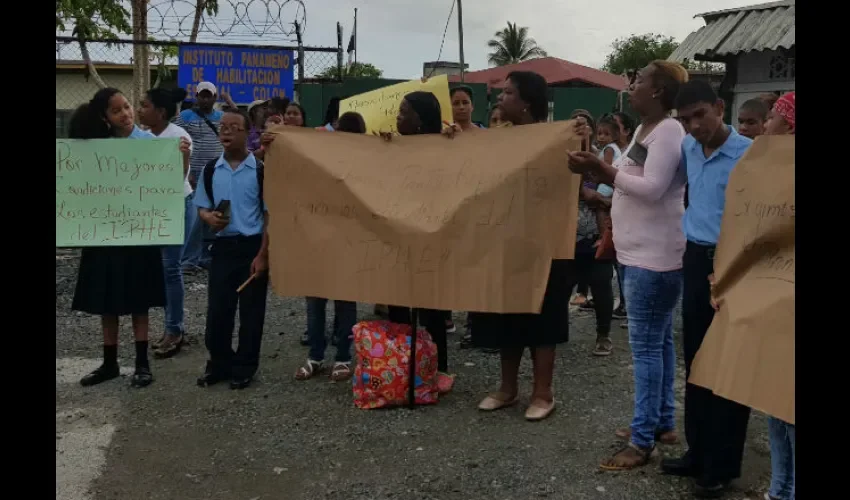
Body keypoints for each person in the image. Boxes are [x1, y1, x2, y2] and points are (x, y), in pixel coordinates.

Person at [569, 60, 690, 468]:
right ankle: (662, 423)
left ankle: (642, 441)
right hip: (641, 255)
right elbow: (623, 174)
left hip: (653, 260)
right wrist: (593, 166)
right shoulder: (644, 130)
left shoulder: (669, 130)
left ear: (657, 92)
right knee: (660, 343)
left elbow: (653, 188)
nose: (631, 86)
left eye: (637, 81)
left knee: (646, 349)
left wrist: (601, 169)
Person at [660, 80, 754, 498]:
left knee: (731, 364)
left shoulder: (751, 156)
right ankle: (698, 453)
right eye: (685, 120)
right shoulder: (687, 149)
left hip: (736, 263)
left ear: (719, 107)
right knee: (697, 360)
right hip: (696, 260)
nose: (694, 126)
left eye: (700, 115)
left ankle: (723, 465)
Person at [68, 88, 188, 388]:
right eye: (116, 110)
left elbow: (172, 181)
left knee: (138, 301)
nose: (126, 113)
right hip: (104, 233)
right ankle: (109, 363)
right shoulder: (95, 147)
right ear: (104, 117)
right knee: (107, 301)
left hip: (138, 234)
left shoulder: (150, 144)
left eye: (127, 106)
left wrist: (183, 159)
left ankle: (142, 363)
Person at [474, 71, 572, 421]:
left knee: (544, 318)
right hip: (508, 241)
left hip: (547, 243)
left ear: (527, 102)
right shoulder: (497, 140)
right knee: (508, 313)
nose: (501, 98)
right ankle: (507, 388)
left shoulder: (557, 139)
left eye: (509, 93)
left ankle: (543, 393)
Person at [380, 91, 454, 392]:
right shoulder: (391, 149)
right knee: (397, 304)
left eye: (403, 111)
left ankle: (440, 368)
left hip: (429, 240)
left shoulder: (444, 151)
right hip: (397, 239)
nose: (397, 117)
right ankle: (401, 364)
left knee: (431, 306)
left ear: (420, 119)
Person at [194, 108, 270, 390]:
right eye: (222, 126)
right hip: (223, 247)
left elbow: (268, 216)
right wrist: (208, 217)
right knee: (218, 311)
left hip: (251, 247)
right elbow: (202, 205)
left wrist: (263, 255)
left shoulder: (260, 172)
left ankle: (245, 367)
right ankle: (219, 363)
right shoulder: (211, 169)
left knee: (251, 312)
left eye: (233, 127)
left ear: (247, 132)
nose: (225, 131)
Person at [294, 111, 367, 383]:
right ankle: (323, 356)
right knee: (321, 302)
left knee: (336, 303)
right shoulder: (321, 160)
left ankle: (338, 357)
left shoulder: (365, 164)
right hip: (321, 239)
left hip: (343, 242)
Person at [137, 87, 195, 357]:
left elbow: (179, 177)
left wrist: (183, 156)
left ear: (160, 112)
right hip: (155, 206)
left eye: (144, 105)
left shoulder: (179, 136)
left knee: (171, 268)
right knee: (162, 269)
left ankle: (174, 329)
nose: (139, 110)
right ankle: (171, 327)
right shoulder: (145, 138)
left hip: (176, 204)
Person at [761, 91, 795, 500]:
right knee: (772, 396)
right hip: (771, 294)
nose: (766, 123)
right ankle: (778, 488)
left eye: (772, 116)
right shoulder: (767, 168)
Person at [175, 81, 224, 272]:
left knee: (213, 213)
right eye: (202, 95)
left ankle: (204, 255)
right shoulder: (184, 117)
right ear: (196, 97)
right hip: (194, 174)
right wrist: (187, 173)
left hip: (216, 172)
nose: (205, 99)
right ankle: (189, 259)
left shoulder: (222, 117)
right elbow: (178, 140)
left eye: (209, 95)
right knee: (196, 217)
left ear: (214, 97)